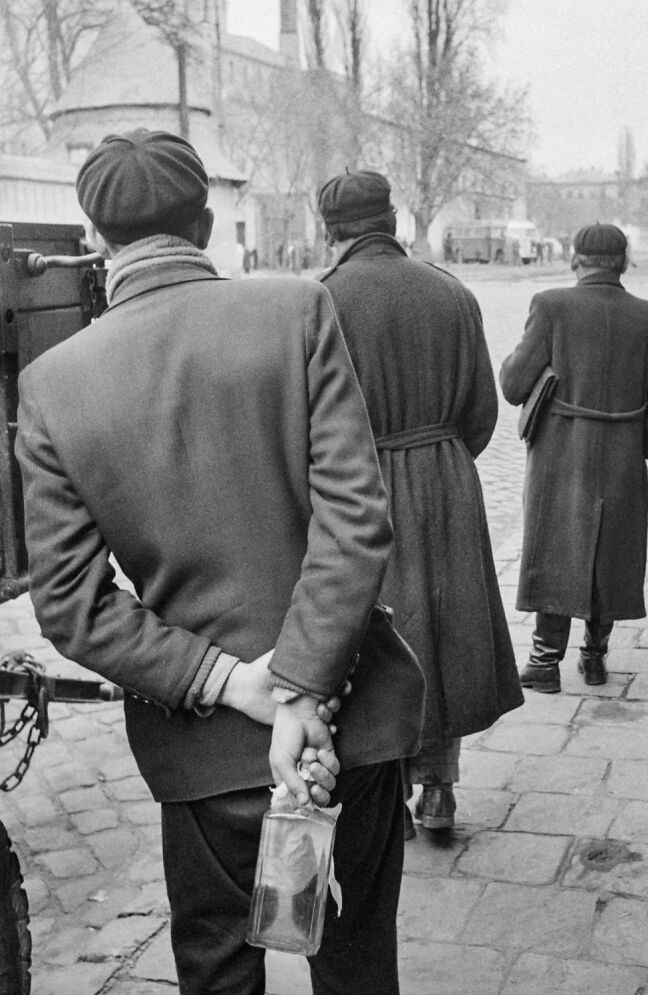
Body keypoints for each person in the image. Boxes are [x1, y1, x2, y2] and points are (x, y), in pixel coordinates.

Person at [15, 130, 425, 995]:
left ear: (94, 240)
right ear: (204, 222)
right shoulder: (297, 310)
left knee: (216, 973)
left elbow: (74, 607)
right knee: (356, 969)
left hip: (201, 758)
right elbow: (356, 520)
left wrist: (229, 681)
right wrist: (302, 689)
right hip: (345, 731)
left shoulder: (53, 385)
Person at [317, 170, 523, 837]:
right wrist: (440, 457)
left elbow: (305, 424)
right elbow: (481, 412)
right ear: (394, 219)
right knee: (444, 629)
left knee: (376, 635)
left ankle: (392, 790)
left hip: (360, 488)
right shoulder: (451, 293)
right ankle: (441, 788)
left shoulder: (319, 302)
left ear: (331, 229)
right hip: (445, 476)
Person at [500, 222, 648, 693]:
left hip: (560, 448)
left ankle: (543, 662)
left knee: (555, 542)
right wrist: (639, 443)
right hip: (622, 452)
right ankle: (594, 659)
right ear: (623, 260)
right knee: (612, 550)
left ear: (576, 258)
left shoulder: (551, 305)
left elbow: (515, 385)